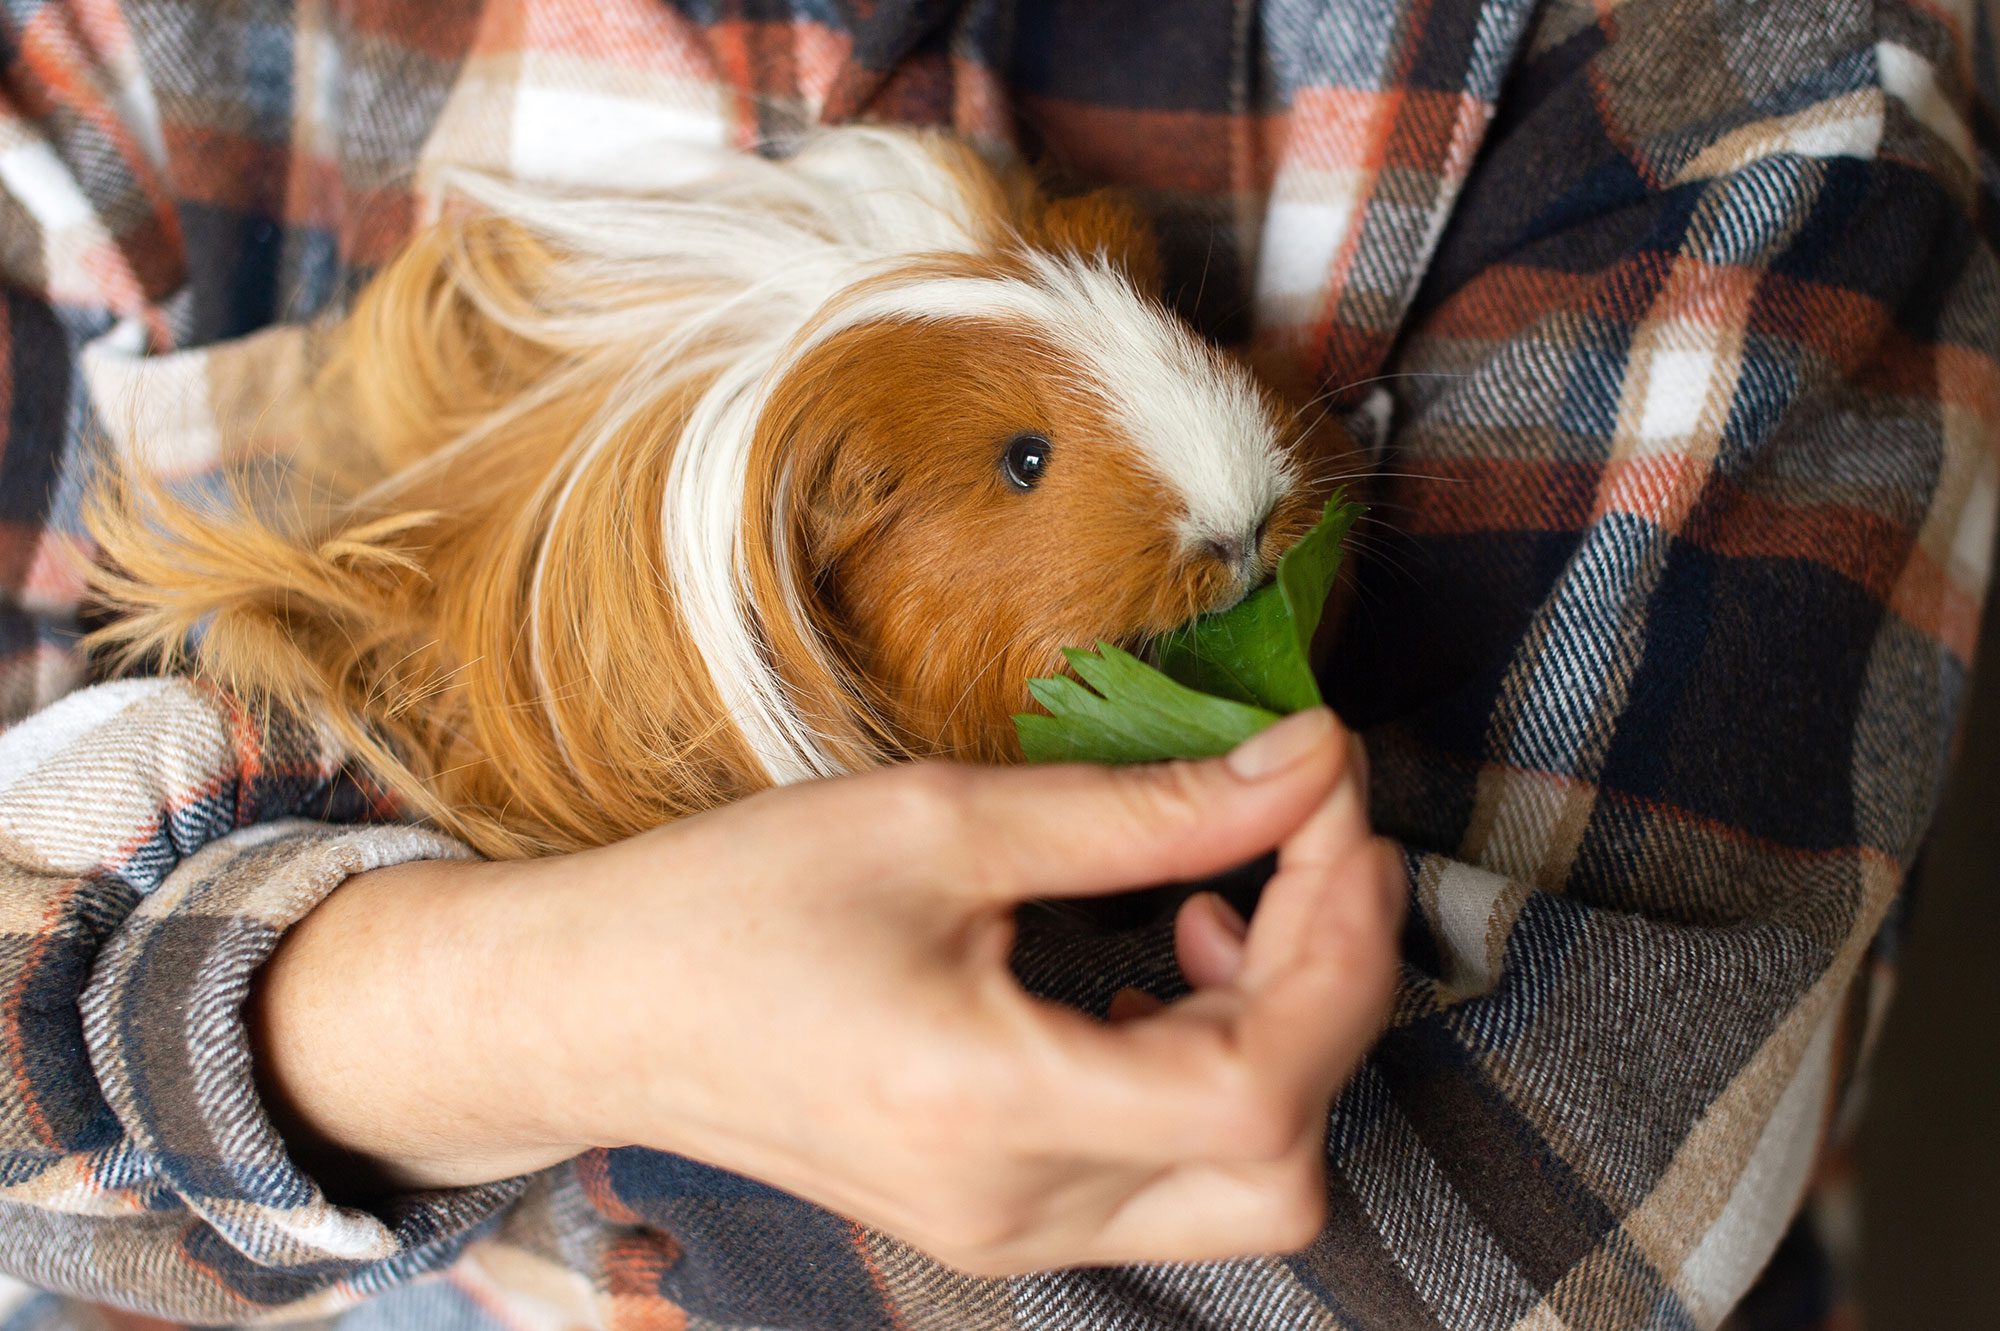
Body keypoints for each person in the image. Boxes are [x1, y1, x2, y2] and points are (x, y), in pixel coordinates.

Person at [0, 1, 1991, 1328]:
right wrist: (537, 1010)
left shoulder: (1730, 68)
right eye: (1024, 462)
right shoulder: (128, 37)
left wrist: (319, 1031)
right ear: (824, 534)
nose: (1237, 466)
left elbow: (1551, 1233)